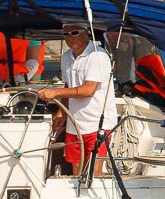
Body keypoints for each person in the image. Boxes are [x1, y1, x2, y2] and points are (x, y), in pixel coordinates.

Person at [37, 22, 115, 177]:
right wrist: (61, 112)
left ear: (86, 33)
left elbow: (89, 90)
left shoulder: (98, 56)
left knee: (94, 172)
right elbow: (69, 83)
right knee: (76, 171)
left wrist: (55, 93)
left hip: (98, 124)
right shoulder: (66, 57)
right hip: (75, 124)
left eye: (74, 33)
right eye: (66, 34)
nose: (69, 38)